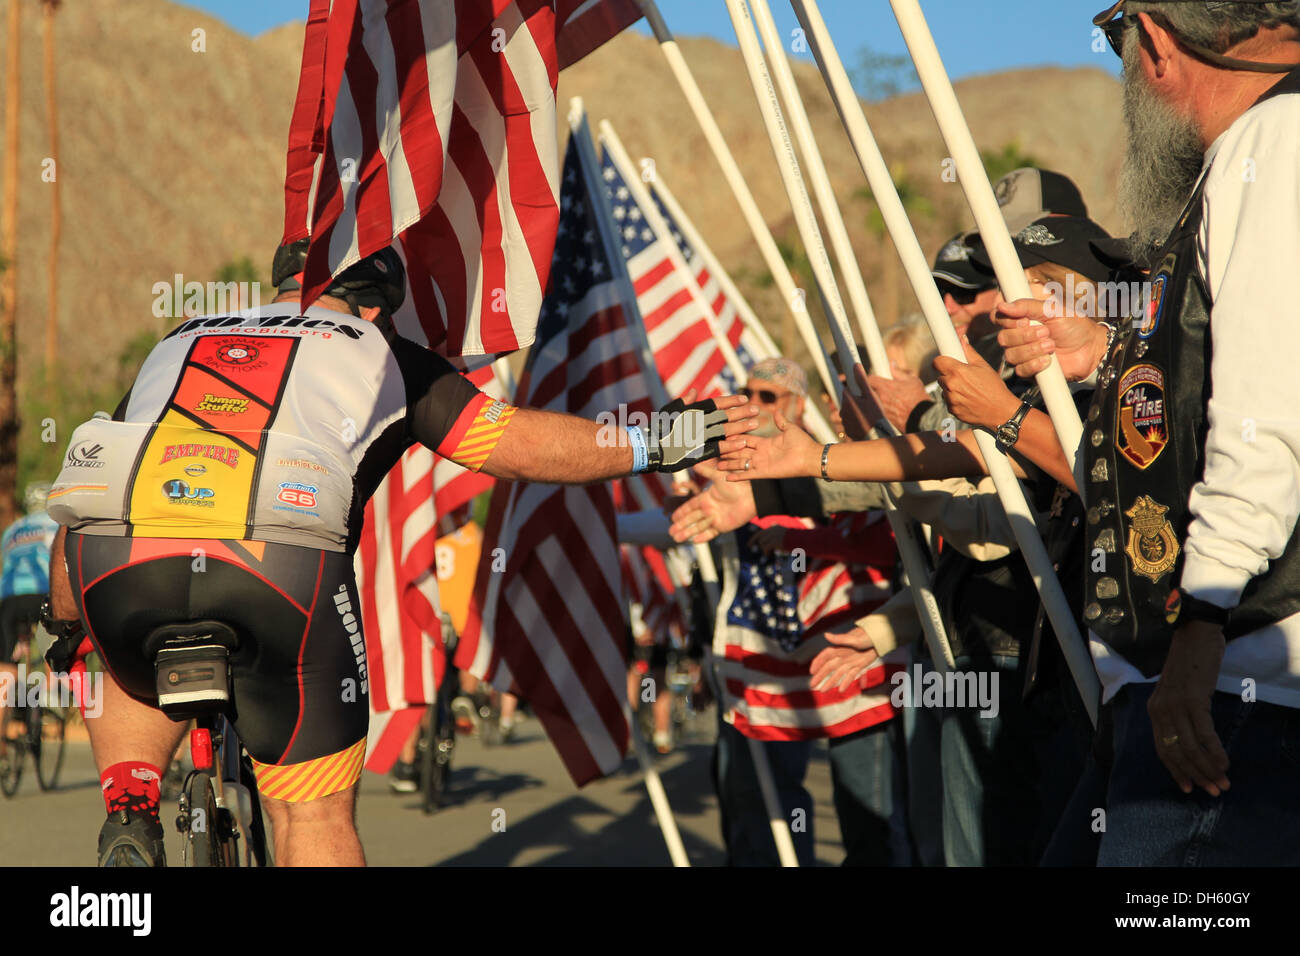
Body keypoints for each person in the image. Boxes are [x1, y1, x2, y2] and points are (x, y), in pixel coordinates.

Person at [42, 240, 758, 867]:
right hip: (277, 559)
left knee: (118, 646)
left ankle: (129, 808)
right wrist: (657, 439)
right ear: (382, 305)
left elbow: (100, 482)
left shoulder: (181, 337)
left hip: (116, 553)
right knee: (311, 814)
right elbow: (521, 449)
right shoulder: (383, 353)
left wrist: (69, 622)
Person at [997, 0, 1300, 866]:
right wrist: (1102, 356)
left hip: (1235, 685)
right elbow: (1208, 380)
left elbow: (1268, 418)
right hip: (1205, 682)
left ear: (1159, 42)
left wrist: (1201, 627)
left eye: (1115, 35)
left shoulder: (1274, 142)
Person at [1, 483, 59, 692]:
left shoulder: (12, 531)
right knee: (56, 644)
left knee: (5, 663)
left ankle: (1, 718)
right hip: (43, 593)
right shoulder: (56, 524)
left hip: (10, 599)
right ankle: (52, 696)